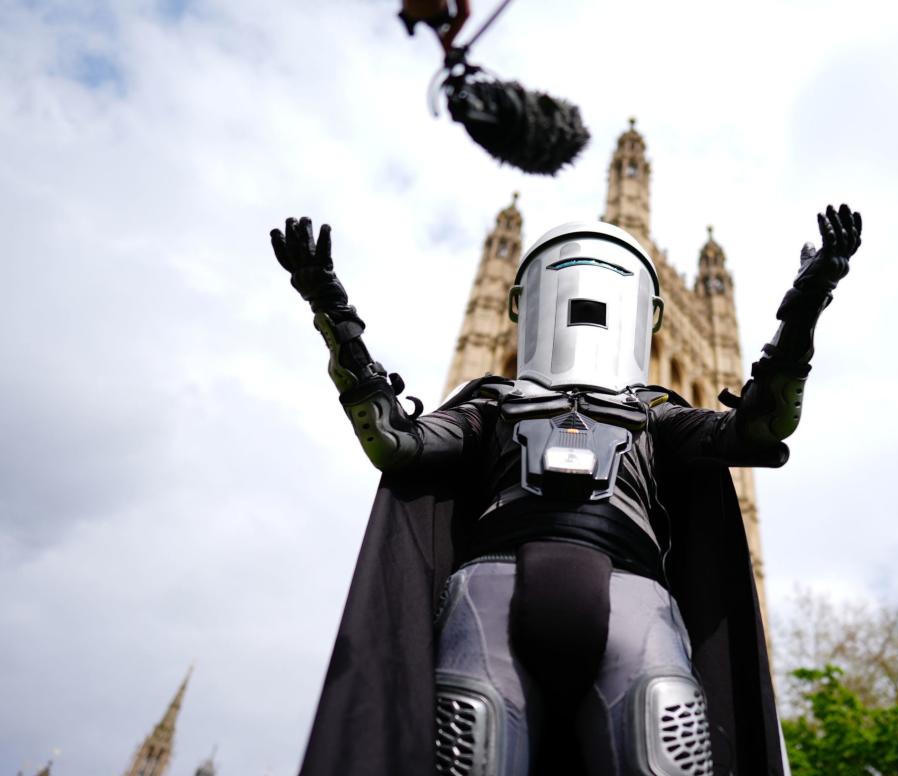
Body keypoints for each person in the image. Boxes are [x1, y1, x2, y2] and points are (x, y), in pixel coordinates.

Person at [271, 206, 863, 775]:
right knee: (469, 748)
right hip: (496, 591)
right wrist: (332, 309)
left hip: (627, 594)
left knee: (665, 749)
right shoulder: (492, 402)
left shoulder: (655, 411)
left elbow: (758, 427)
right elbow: (394, 441)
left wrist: (806, 304)